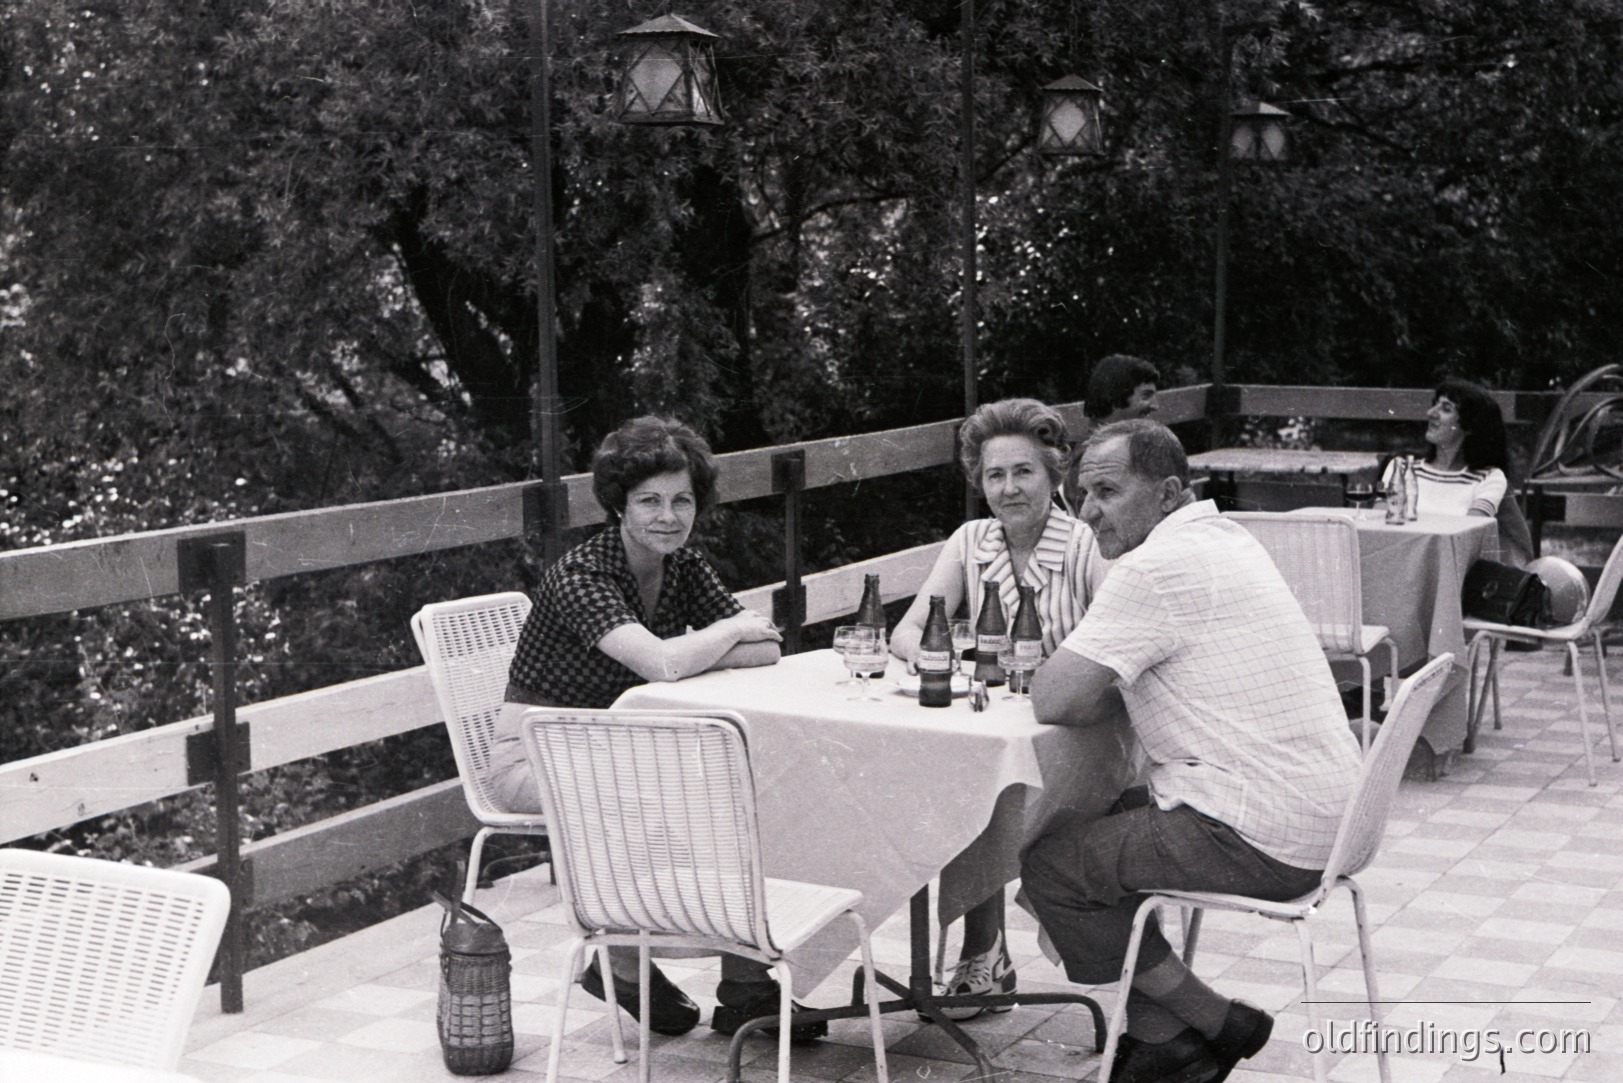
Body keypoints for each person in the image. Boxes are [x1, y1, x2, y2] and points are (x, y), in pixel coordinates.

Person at [1022, 419, 1361, 1083]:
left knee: (1052, 868)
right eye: (1082, 492)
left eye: (1106, 491)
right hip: (1334, 817)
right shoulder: (1227, 537)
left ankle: (1206, 1022)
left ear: (1169, 492)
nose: (1087, 510)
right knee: (1095, 819)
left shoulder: (1152, 567)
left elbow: (1053, 698)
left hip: (1260, 831)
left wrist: (1091, 673)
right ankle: (1166, 1041)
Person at [491, 415, 823, 1043]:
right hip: (533, 760)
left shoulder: (684, 566)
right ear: (619, 505)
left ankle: (738, 990)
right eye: (649, 501)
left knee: (739, 788)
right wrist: (721, 633)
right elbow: (669, 661)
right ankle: (625, 965)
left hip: (621, 752)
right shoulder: (582, 574)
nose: (668, 516)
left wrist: (693, 649)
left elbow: (769, 649)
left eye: (681, 501)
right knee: (690, 799)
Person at [889, 397, 1110, 1020]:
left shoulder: (1087, 545)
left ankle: (983, 951)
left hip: (1072, 735)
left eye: (1023, 472)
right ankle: (981, 955)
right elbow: (909, 632)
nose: (1008, 488)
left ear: (1054, 474)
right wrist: (950, 658)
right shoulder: (971, 541)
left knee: (984, 784)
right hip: (991, 726)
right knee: (960, 772)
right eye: (994, 475)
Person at [1383, 377, 1533, 563]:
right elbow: (1380, 529)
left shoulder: (1488, 478)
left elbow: (1468, 537)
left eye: (1446, 409)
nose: (1431, 413)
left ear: (1469, 426)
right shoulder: (1401, 467)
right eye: (1434, 405)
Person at [1063, 355, 1161, 512]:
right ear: (1116, 397)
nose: (1155, 406)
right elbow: (1094, 523)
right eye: (1146, 395)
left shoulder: (1126, 446)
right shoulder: (1091, 459)